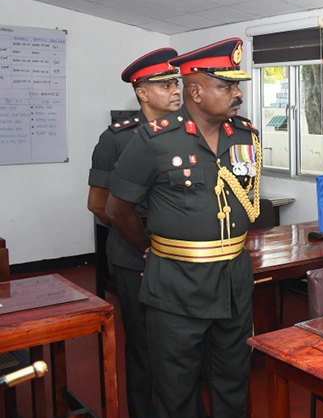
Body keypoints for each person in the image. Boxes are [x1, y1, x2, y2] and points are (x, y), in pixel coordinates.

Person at [105, 37, 260, 418]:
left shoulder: (245, 134)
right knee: (176, 390)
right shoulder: (155, 139)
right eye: (226, 86)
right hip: (177, 284)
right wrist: (148, 247)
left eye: (237, 86)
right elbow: (117, 209)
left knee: (234, 382)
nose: (237, 94)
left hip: (233, 281)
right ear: (195, 91)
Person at [87, 47, 181, 418]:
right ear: (142, 92)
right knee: (143, 345)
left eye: (176, 83)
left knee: (179, 343)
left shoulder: (185, 133)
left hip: (178, 253)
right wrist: (140, 242)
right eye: (165, 85)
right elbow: (98, 204)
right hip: (134, 256)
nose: (175, 90)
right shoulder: (116, 140)